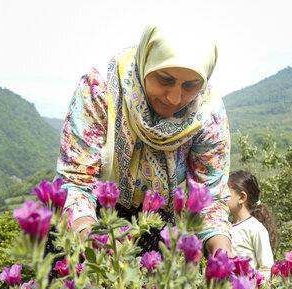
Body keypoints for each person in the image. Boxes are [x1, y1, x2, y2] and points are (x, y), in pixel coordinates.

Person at [56, 24, 232, 255]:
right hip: (89, 220)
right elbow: (75, 181)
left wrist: (223, 250)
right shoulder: (100, 88)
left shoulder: (208, 113)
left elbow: (210, 196)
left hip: (157, 230)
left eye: (191, 85)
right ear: (146, 64)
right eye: (164, 79)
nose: (175, 97)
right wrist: (91, 237)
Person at [227, 170, 277, 277]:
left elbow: (267, 268)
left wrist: (252, 286)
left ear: (241, 197)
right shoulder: (225, 227)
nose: (221, 197)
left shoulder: (256, 229)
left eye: (226, 192)